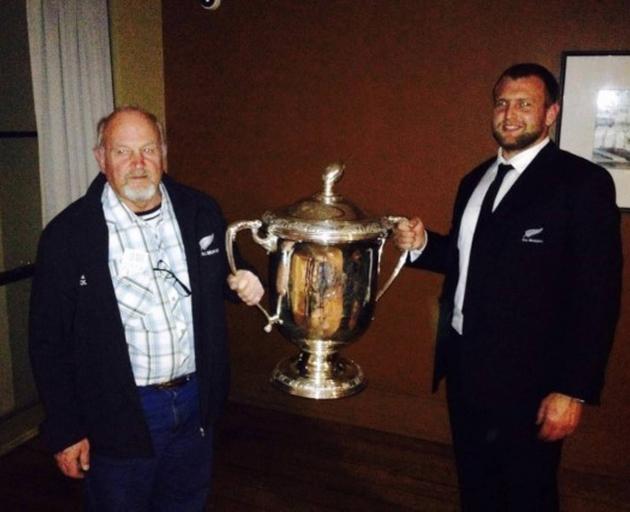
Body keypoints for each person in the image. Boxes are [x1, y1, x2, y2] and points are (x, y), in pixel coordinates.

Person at [394, 63, 622, 511]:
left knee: (528, 493)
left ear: (551, 113)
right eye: (502, 103)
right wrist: (423, 245)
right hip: (464, 364)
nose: (510, 114)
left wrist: (572, 389)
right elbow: (469, 261)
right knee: (476, 485)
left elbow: (598, 295)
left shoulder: (583, 183)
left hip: (531, 379)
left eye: (524, 104)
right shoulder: (473, 181)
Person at [29, 106, 264, 511]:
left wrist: (246, 280)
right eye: (122, 152)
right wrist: (65, 429)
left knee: (186, 502)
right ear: (101, 158)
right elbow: (48, 341)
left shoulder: (200, 211)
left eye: (148, 149)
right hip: (118, 410)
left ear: (163, 153)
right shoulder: (68, 235)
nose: (138, 164)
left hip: (196, 401)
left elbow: (229, 270)